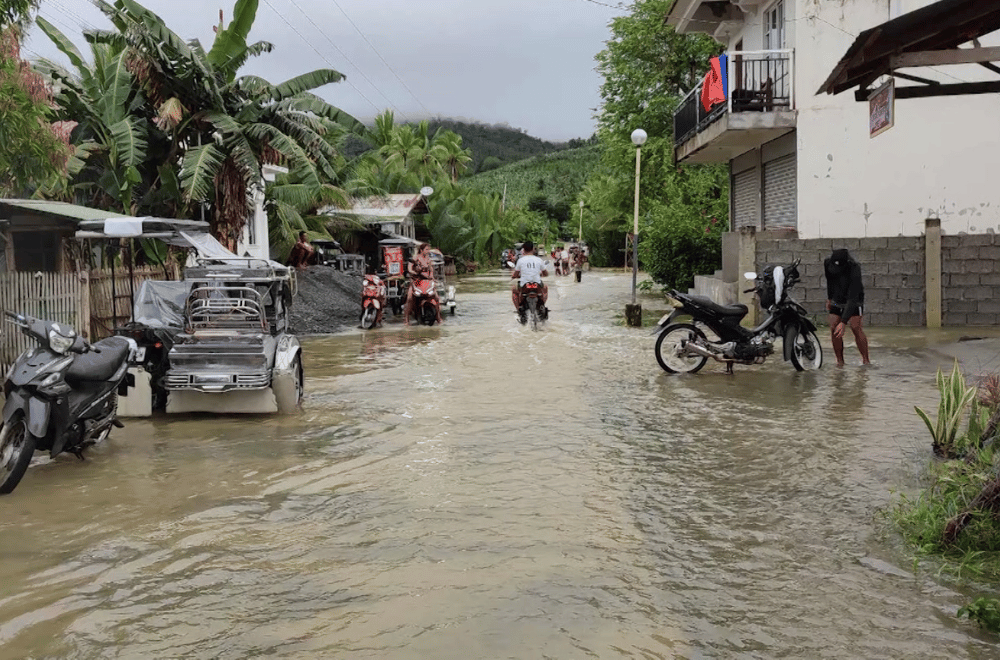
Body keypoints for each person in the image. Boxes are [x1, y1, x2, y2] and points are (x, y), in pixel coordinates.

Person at [824, 248, 871, 365]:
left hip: (854, 299)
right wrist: (829, 298)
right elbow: (829, 281)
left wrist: (844, 322)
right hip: (837, 297)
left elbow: (853, 298)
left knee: (855, 327)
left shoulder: (854, 268)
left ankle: (866, 360)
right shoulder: (827, 263)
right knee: (834, 327)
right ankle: (840, 362)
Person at [404, 242, 443, 325]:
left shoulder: (428, 259)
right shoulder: (415, 258)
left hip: (427, 282)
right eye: (426, 249)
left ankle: (439, 317)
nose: (428, 251)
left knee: (436, 297)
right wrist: (414, 272)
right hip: (416, 281)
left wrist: (431, 277)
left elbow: (431, 270)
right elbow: (410, 269)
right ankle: (406, 320)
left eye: (428, 249)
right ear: (421, 250)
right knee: (410, 299)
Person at [511, 240, 548, 314]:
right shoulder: (539, 260)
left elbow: (515, 274)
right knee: (545, 288)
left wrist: (514, 276)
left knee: (514, 290)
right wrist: (541, 274)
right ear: (533, 249)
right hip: (537, 285)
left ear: (523, 250)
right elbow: (545, 273)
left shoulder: (520, 260)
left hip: (524, 285)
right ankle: (542, 304)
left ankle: (518, 309)